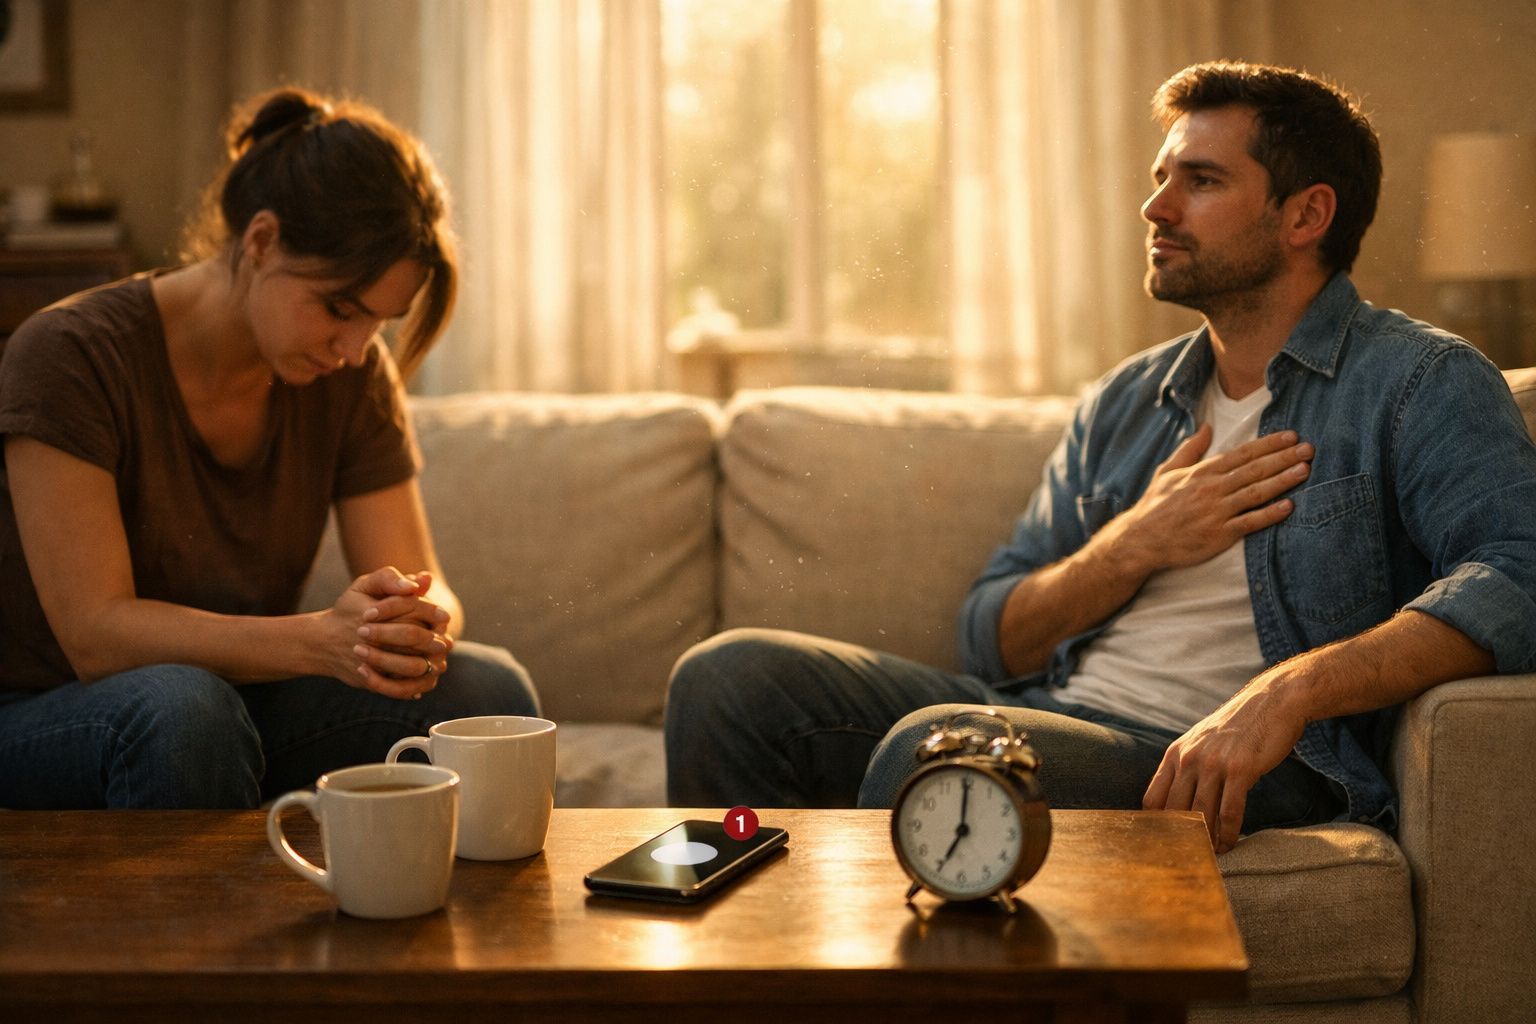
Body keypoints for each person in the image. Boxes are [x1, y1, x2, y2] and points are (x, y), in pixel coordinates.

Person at [664, 61, 1536, 853]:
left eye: (1201, 181)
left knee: (939, 756)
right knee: (728, 679)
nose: (1157, 209)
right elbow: (991, 635)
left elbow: (1519, 572)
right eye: (1162, 179)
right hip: (1054, 720)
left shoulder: (1418, 381)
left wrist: (1286, 693)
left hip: (1250, 764)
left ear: (1306, 214)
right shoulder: (1127, 400)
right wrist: (1132, 545)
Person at [0, 88, 540, 809]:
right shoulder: (69, 354)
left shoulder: (350, 375)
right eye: (339, 309)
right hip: (52, 712)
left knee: (488, 693)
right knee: (185, 712)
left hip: (232, 704)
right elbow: (95, 635)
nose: (355, 349)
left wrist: (410, 624)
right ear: (261, 241)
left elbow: (426, 580)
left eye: (379, 323)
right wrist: (320, 640)